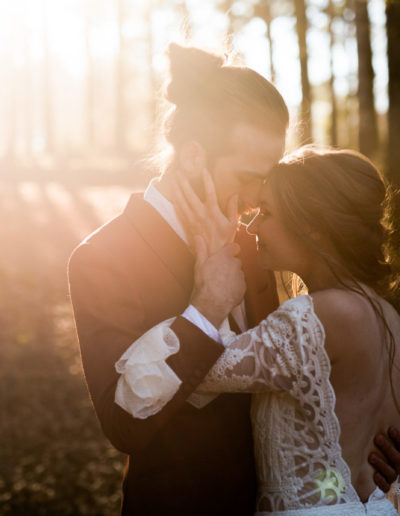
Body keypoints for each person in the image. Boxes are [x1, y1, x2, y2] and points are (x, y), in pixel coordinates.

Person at [68, 43, 400, 515]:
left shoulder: (261, 243)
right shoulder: (103, 257)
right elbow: (124, 421)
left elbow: (329, 384)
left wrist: (365, 476)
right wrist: (205, 308)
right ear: (192, 158)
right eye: (248, 177)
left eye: (267, 181)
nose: (257, 198)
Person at [119, 146, 400, 513]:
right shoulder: (387, 313)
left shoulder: (321, 315)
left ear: (312, 227)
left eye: (266, 213)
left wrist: (213, 276)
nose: (250, 227)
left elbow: (184, 370)